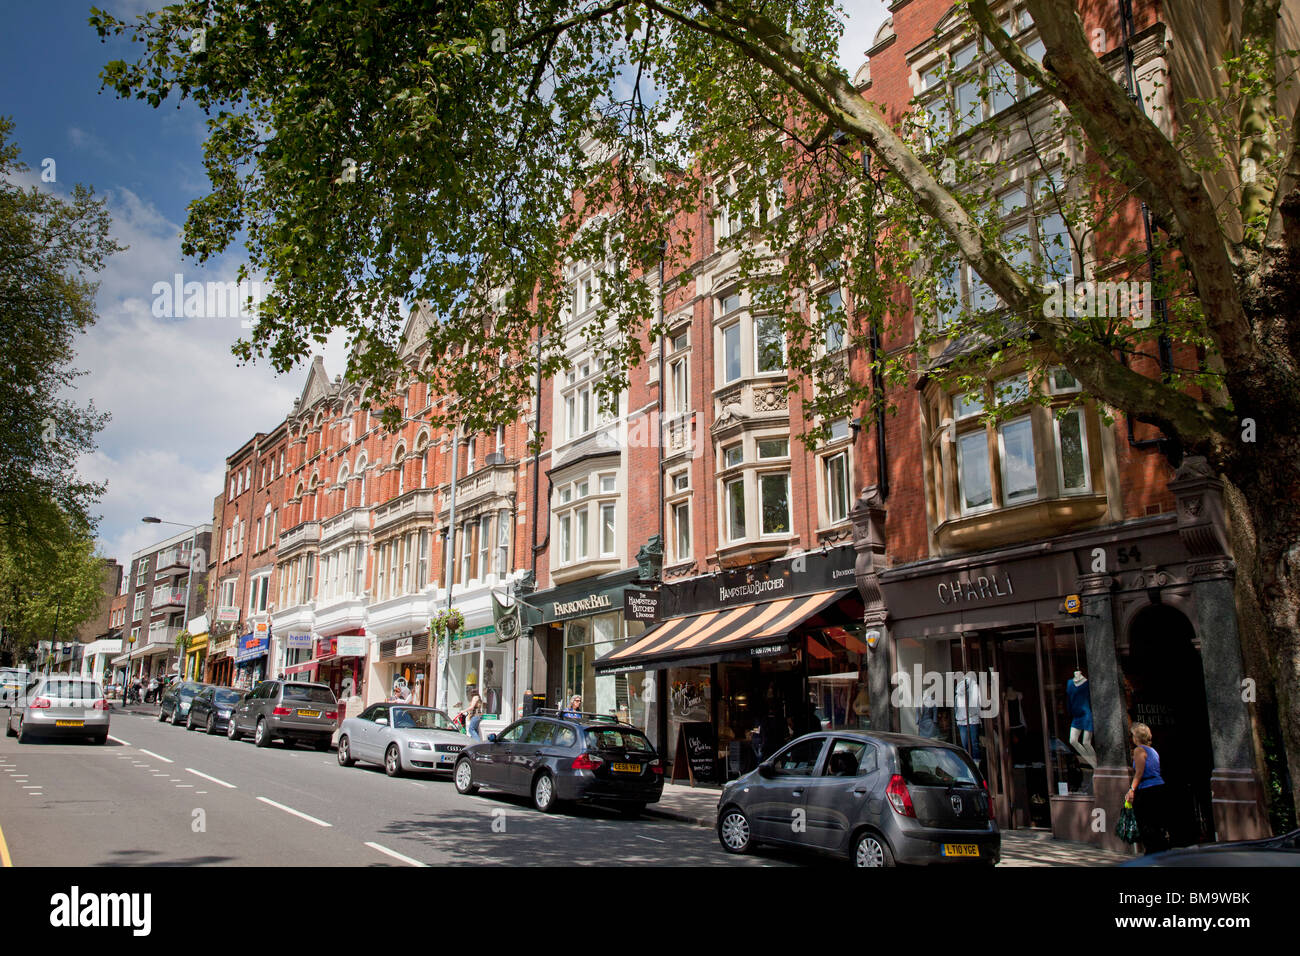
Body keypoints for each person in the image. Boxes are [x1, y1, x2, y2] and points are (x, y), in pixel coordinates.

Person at [1126, 722, 1170, 854]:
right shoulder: (1153, 751)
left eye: (1132, 735)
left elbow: (1139, 773)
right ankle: (1161, 849)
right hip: (1159, 787)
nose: (1131, 738)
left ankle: (1152, 851)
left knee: (1146, 821)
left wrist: (1131, 789)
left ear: (1136, 737)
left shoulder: (1139, 750)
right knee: (1157, 821)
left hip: (1147, 789)